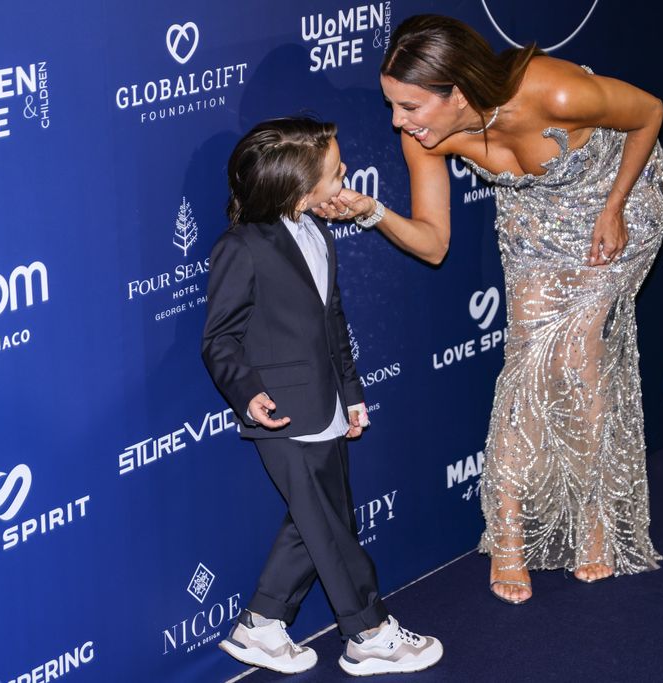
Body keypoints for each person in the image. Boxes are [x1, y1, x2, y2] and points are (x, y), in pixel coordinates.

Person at [322, 15, 663, 604]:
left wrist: (613, 208)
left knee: (578, 356)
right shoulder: (423, 137)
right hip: (535, 220)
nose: (397, 122)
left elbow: (651, 112)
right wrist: (372, 212)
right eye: (392, 105)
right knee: (527, 364)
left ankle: (592, 520)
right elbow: (434, 244)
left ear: (455, 93)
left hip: (618, 199)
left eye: (408, 106)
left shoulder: (555, 91)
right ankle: (508, 530)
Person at [202, 117, 443, 675]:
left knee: (321, 521)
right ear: (297, 185)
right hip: (282, 413)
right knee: (330, 528)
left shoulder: (318, 233)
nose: (345, 178)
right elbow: (219, 338)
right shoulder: (243, 246)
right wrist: (248, 392)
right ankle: (367, 633)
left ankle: (261, 626)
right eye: (335, 173)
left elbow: (332, 323)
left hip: (325, 404)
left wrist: (352, 393)